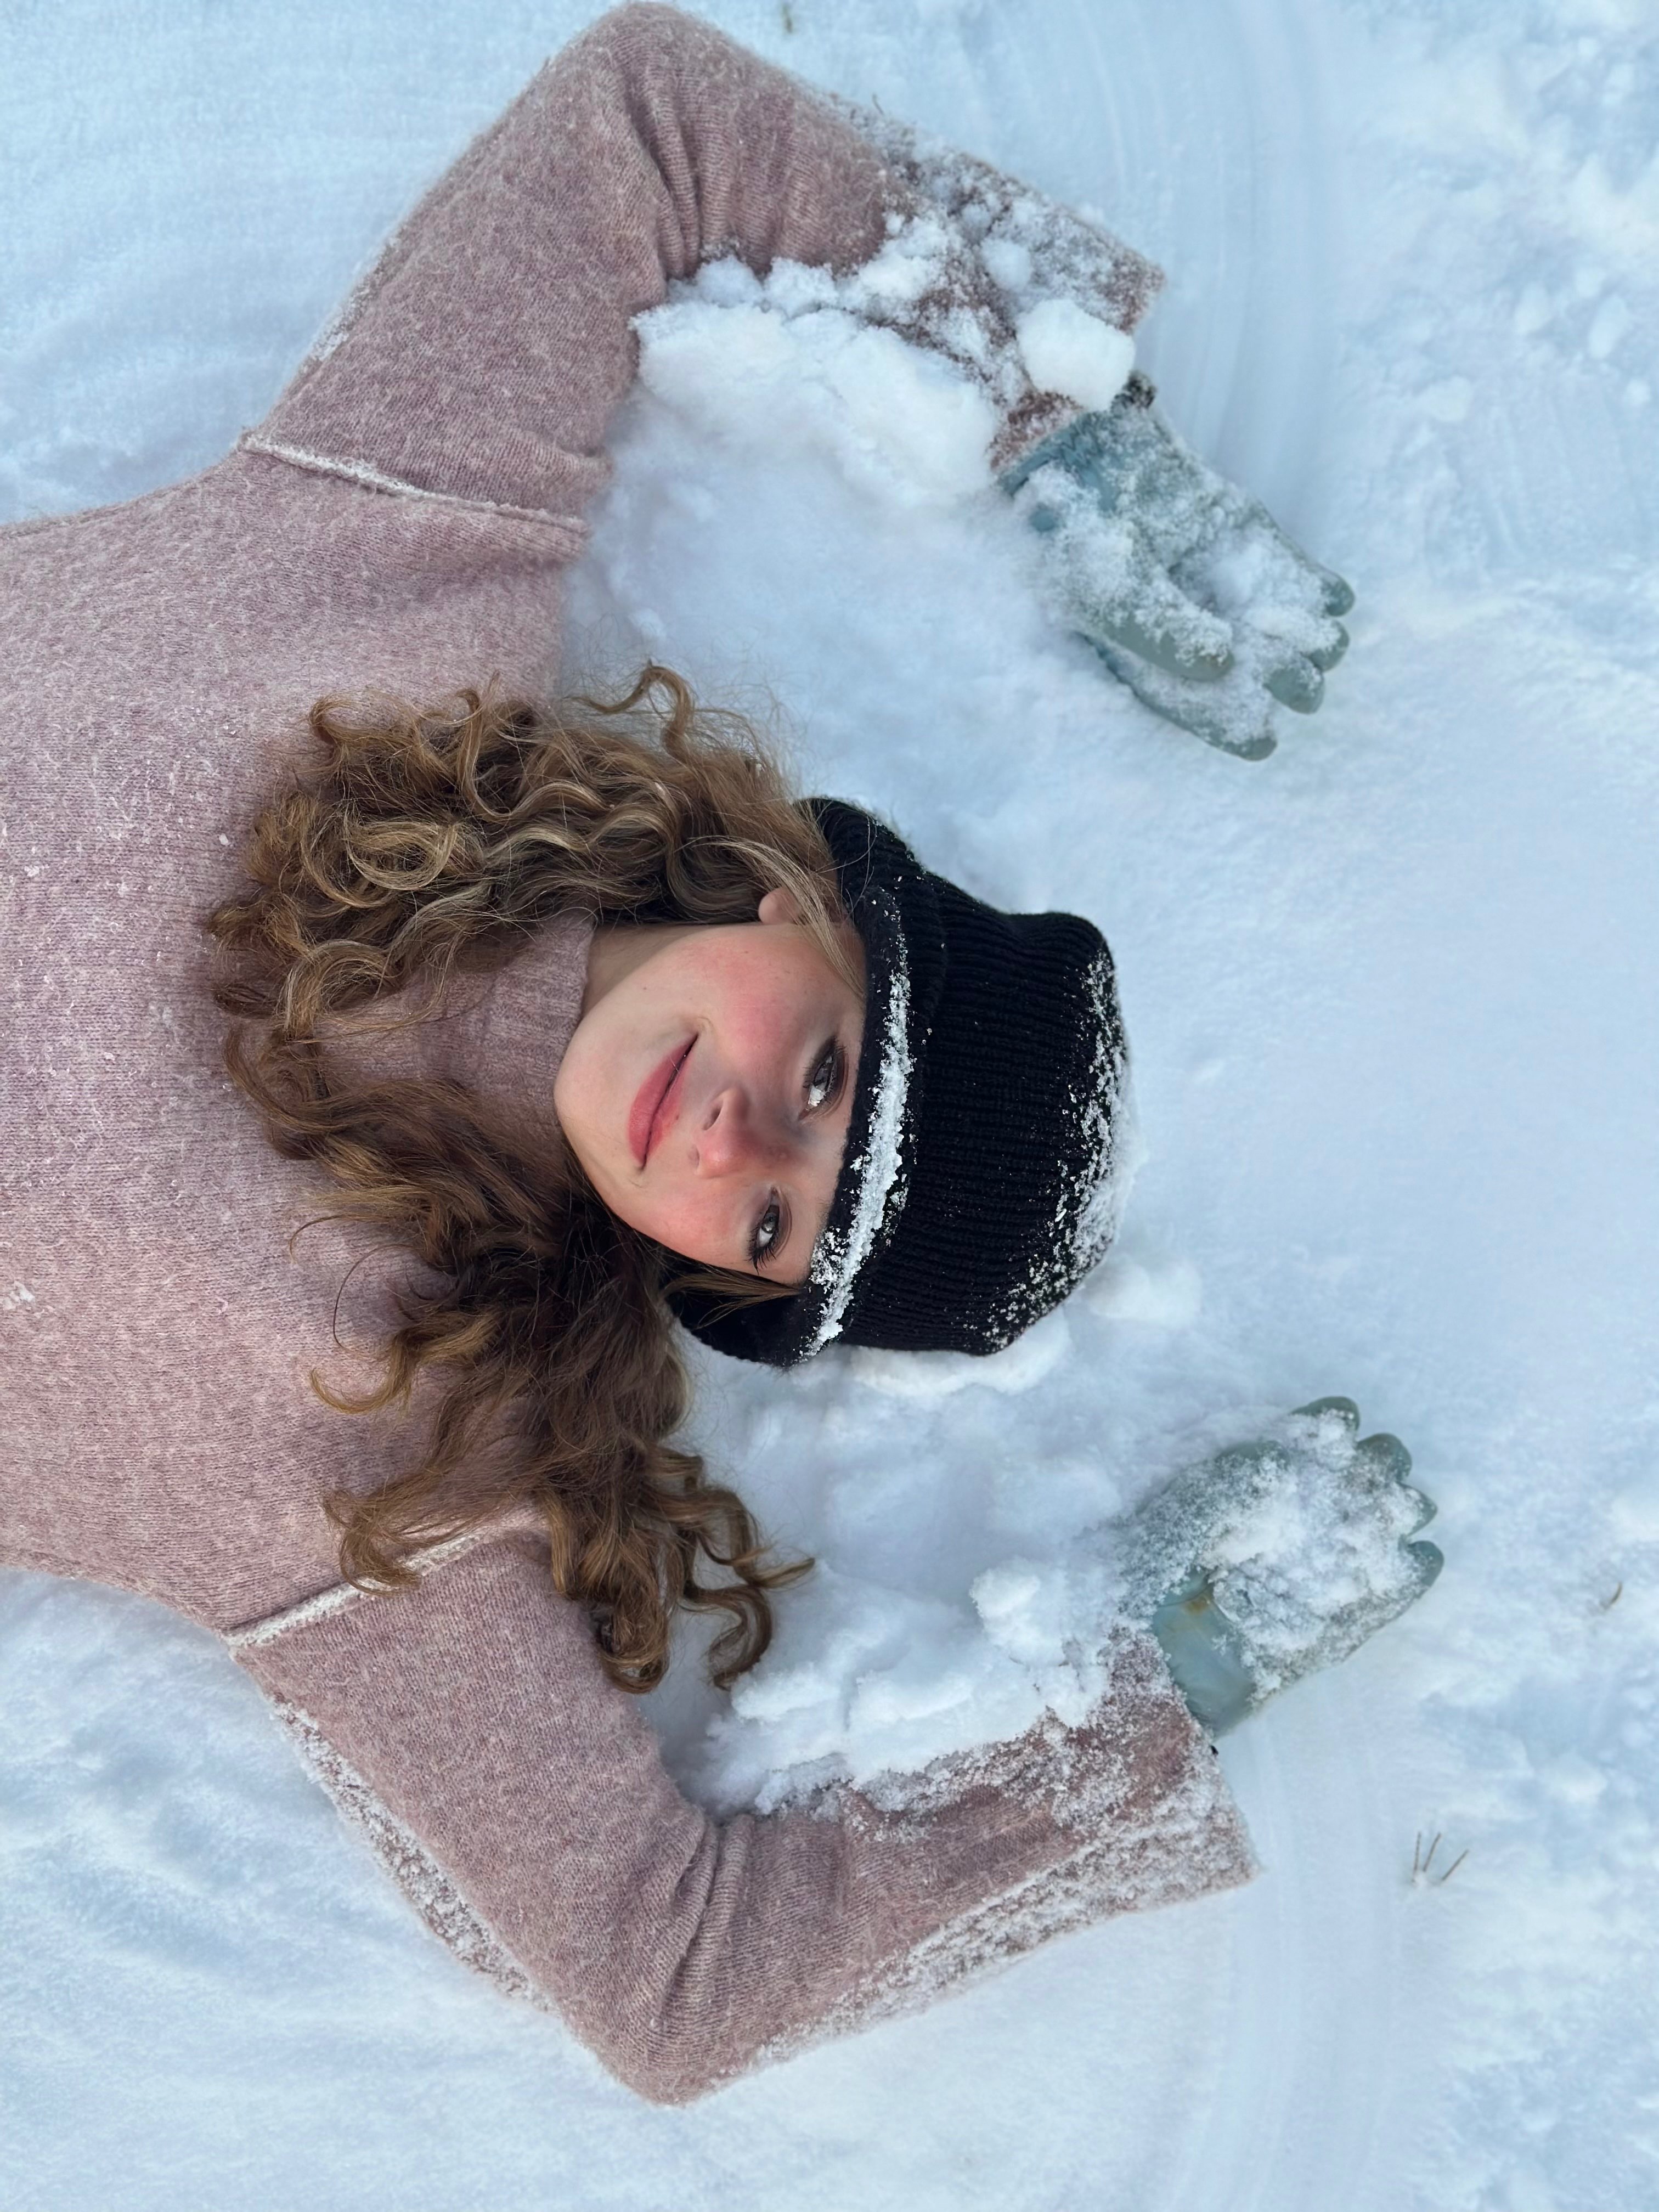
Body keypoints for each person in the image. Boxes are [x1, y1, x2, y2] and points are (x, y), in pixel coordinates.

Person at [0, 4, 1436, 2103]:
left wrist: (1137, 1696)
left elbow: (673, 1986)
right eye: (836, 1074)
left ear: (712, 1282)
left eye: (775, 1219)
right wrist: (1055, 404)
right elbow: (648, 125)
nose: (747, 1133)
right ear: (796, 906)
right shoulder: (395, 575)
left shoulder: (406, 1457)